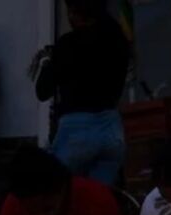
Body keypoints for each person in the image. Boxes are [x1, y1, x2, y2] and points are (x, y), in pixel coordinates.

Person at [35, 0, 131, 184]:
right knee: (99, 199)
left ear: (74, 13)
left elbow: (43, 91)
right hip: (111, 128)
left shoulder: (68, 44)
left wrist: (48, 61)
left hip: (76, 129)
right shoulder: (117, 40)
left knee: (59, 190)